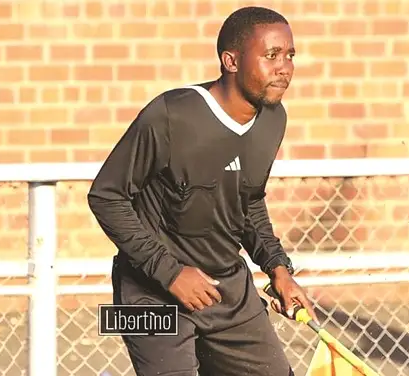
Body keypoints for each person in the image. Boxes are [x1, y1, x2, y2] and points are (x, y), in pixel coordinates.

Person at [87, 6, 317, 376]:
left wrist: (277, 267)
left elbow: (248, 201)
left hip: (228, 292)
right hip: (148, 294)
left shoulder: (274, 119)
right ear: (231, 60)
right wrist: (171, 273)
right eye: (271, 55)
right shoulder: (170, 114)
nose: (285, 67)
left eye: (290, 55)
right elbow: (105, 197)